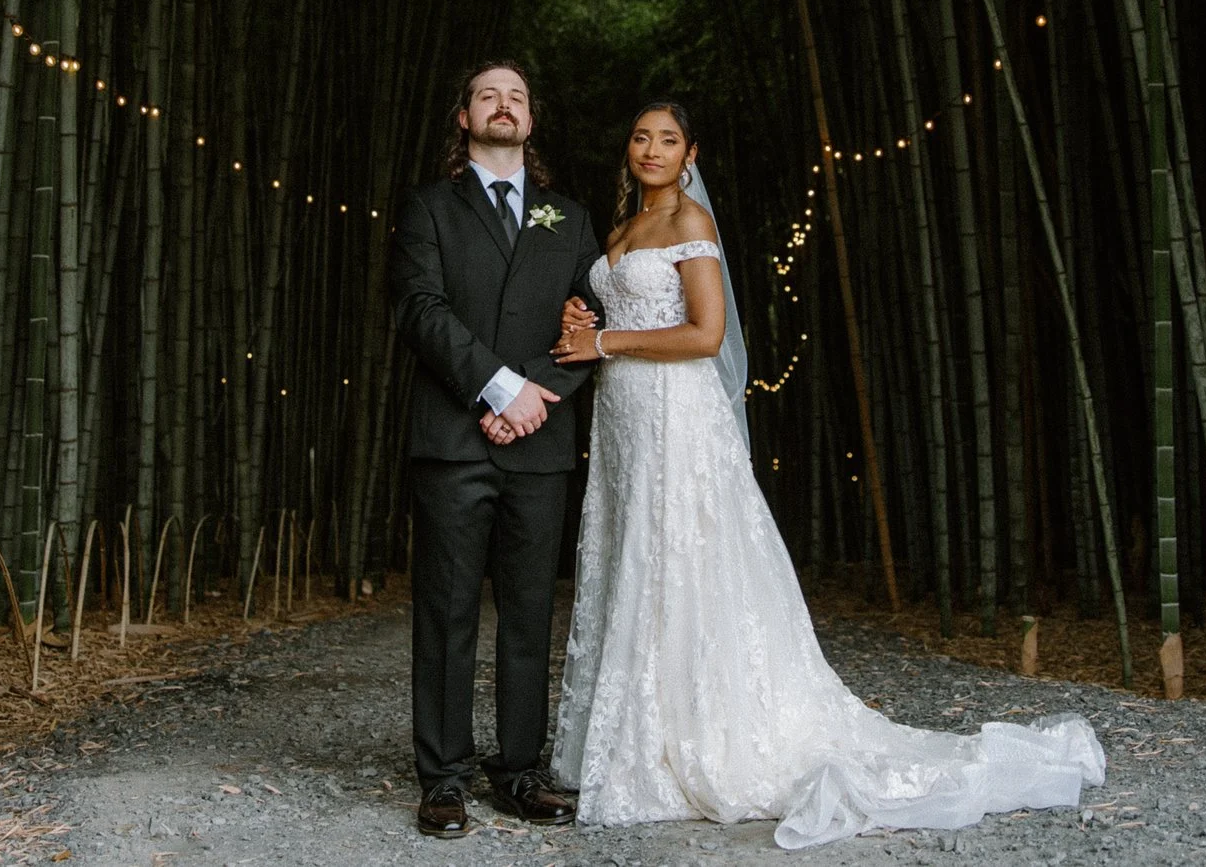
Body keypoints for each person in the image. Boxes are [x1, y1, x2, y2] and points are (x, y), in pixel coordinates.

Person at [548, 102, 1105, 850]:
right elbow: (610, 315)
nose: (652, 148)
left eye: (668, 139)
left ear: (691, 154)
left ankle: (692, 741)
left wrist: (607, 338)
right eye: (641, 136)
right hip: (624, 422)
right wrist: (584, 318)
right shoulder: (617, 232)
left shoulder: (690, 225)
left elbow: (706, 332)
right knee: (636, 561)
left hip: (678, 418)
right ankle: (641, 736)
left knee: (680, 559)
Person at [388, 61, 603, 838]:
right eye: (488, 94)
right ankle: (442, 776)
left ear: (531, 121)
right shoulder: (428, 207)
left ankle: (519, 768)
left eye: (516, 97)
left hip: (539, 440)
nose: (503, 105)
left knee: (527, 611)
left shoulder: (571, 218)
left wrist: (533, 395)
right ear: (464, 117)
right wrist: (496, 385)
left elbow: (593, 322)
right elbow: (420, 306)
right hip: (453, 438)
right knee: (445, 609)